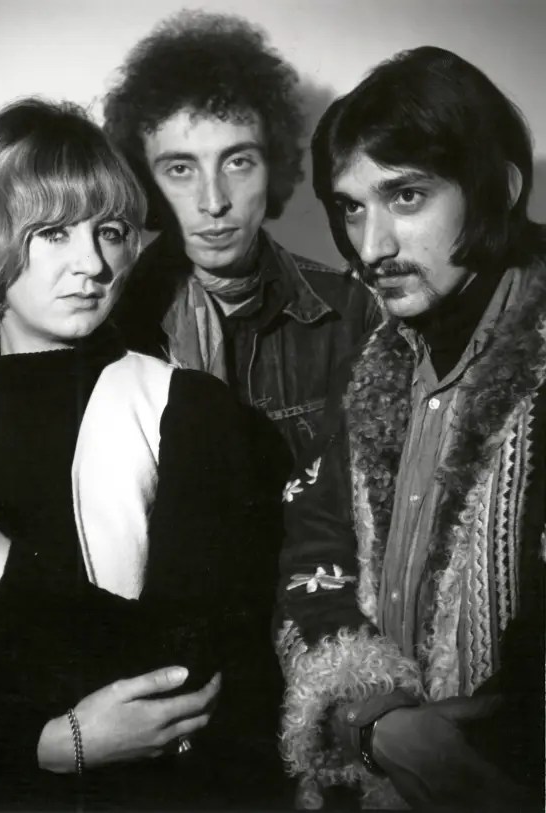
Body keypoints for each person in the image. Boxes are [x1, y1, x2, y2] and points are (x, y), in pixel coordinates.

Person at [0, 99, 282, 810]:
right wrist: (49, 745)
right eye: (52, 232)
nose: (93, 263)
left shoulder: (194, 412)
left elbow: (189, 671)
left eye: (110, 232)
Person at [275, 46, 546, 810]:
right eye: (352, 207)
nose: (372, 248)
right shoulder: (376, 360)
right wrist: (376, 718)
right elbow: (315, 547)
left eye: (406, 196)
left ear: (498, 187)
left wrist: (468, 751)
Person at [104, 10, 379, 465]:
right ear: (144, 181)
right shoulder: (110, 317)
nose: (214, 202)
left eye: (238, 162)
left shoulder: (349, 313)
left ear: (273, 167)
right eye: (180, 169)